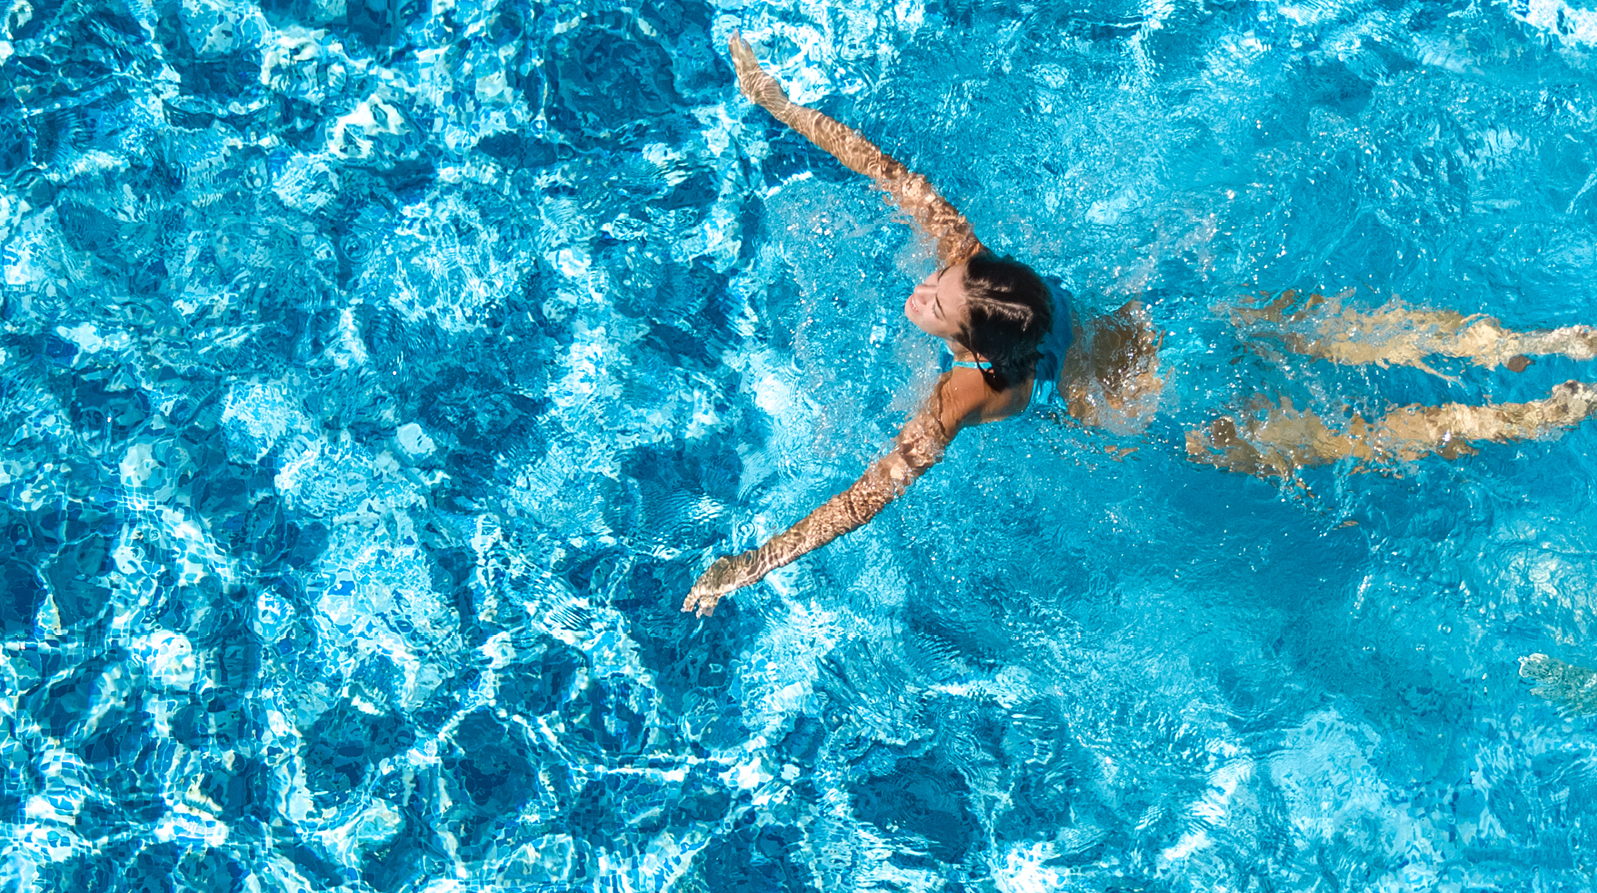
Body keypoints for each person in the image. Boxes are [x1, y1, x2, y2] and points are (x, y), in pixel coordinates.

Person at [681, 34, 1597, 617]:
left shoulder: (966, 394)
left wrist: (753, 564)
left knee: (1355, 437)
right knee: (1351, 334)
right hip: (1180, 332)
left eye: (937, 297)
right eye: (940, 279)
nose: (926, 285)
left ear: (971, 346)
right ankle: (1551, 346)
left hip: (1173, 414)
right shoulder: (996, 279)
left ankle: (1530, 414)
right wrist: (777, 103)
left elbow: (866, 497)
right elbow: (890, 174)